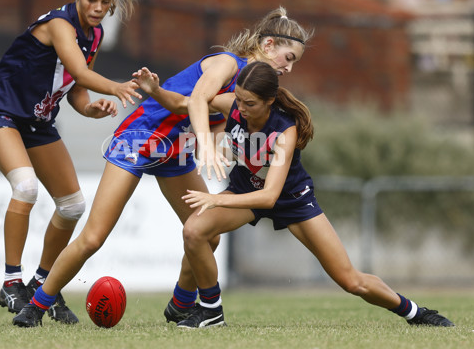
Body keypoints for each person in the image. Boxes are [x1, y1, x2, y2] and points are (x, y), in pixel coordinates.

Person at [12, 7, 312, 327]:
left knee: (206, 234)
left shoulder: (250, 90)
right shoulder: (229, 63)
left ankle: (181, 305)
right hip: (140, 139)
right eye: (289, 57)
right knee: (94, 237)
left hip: (176, 150)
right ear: (268, 46)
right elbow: (196, 101)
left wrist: (217, 141)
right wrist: (208, 146)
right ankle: (36, 306)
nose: (289, 68)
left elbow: (200, 111)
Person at [143, 61, 455, 328]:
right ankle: (212, 311)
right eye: (238, 100)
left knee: (351, 281)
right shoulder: (234, 106)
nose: (240, 109)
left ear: (269, 101)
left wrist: (215, 199)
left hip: (291, 200)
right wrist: (156, 91)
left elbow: (269, 197)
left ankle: (416, 313)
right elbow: (185, 104)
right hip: (244, 192)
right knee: (195, 230)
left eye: (249, 103)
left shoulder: (285, 131)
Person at [0, 0, 140, 324]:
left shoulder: (93, 36)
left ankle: (41, 280)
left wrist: (92, 109)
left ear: (111, 6)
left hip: (36, 121)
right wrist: (116, 87)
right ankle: (11, 280)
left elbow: (77, 90)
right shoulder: (60, 25)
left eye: (104, 2)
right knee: (26, 187)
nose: (96, 6)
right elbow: (80, 72)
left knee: (72, 206)